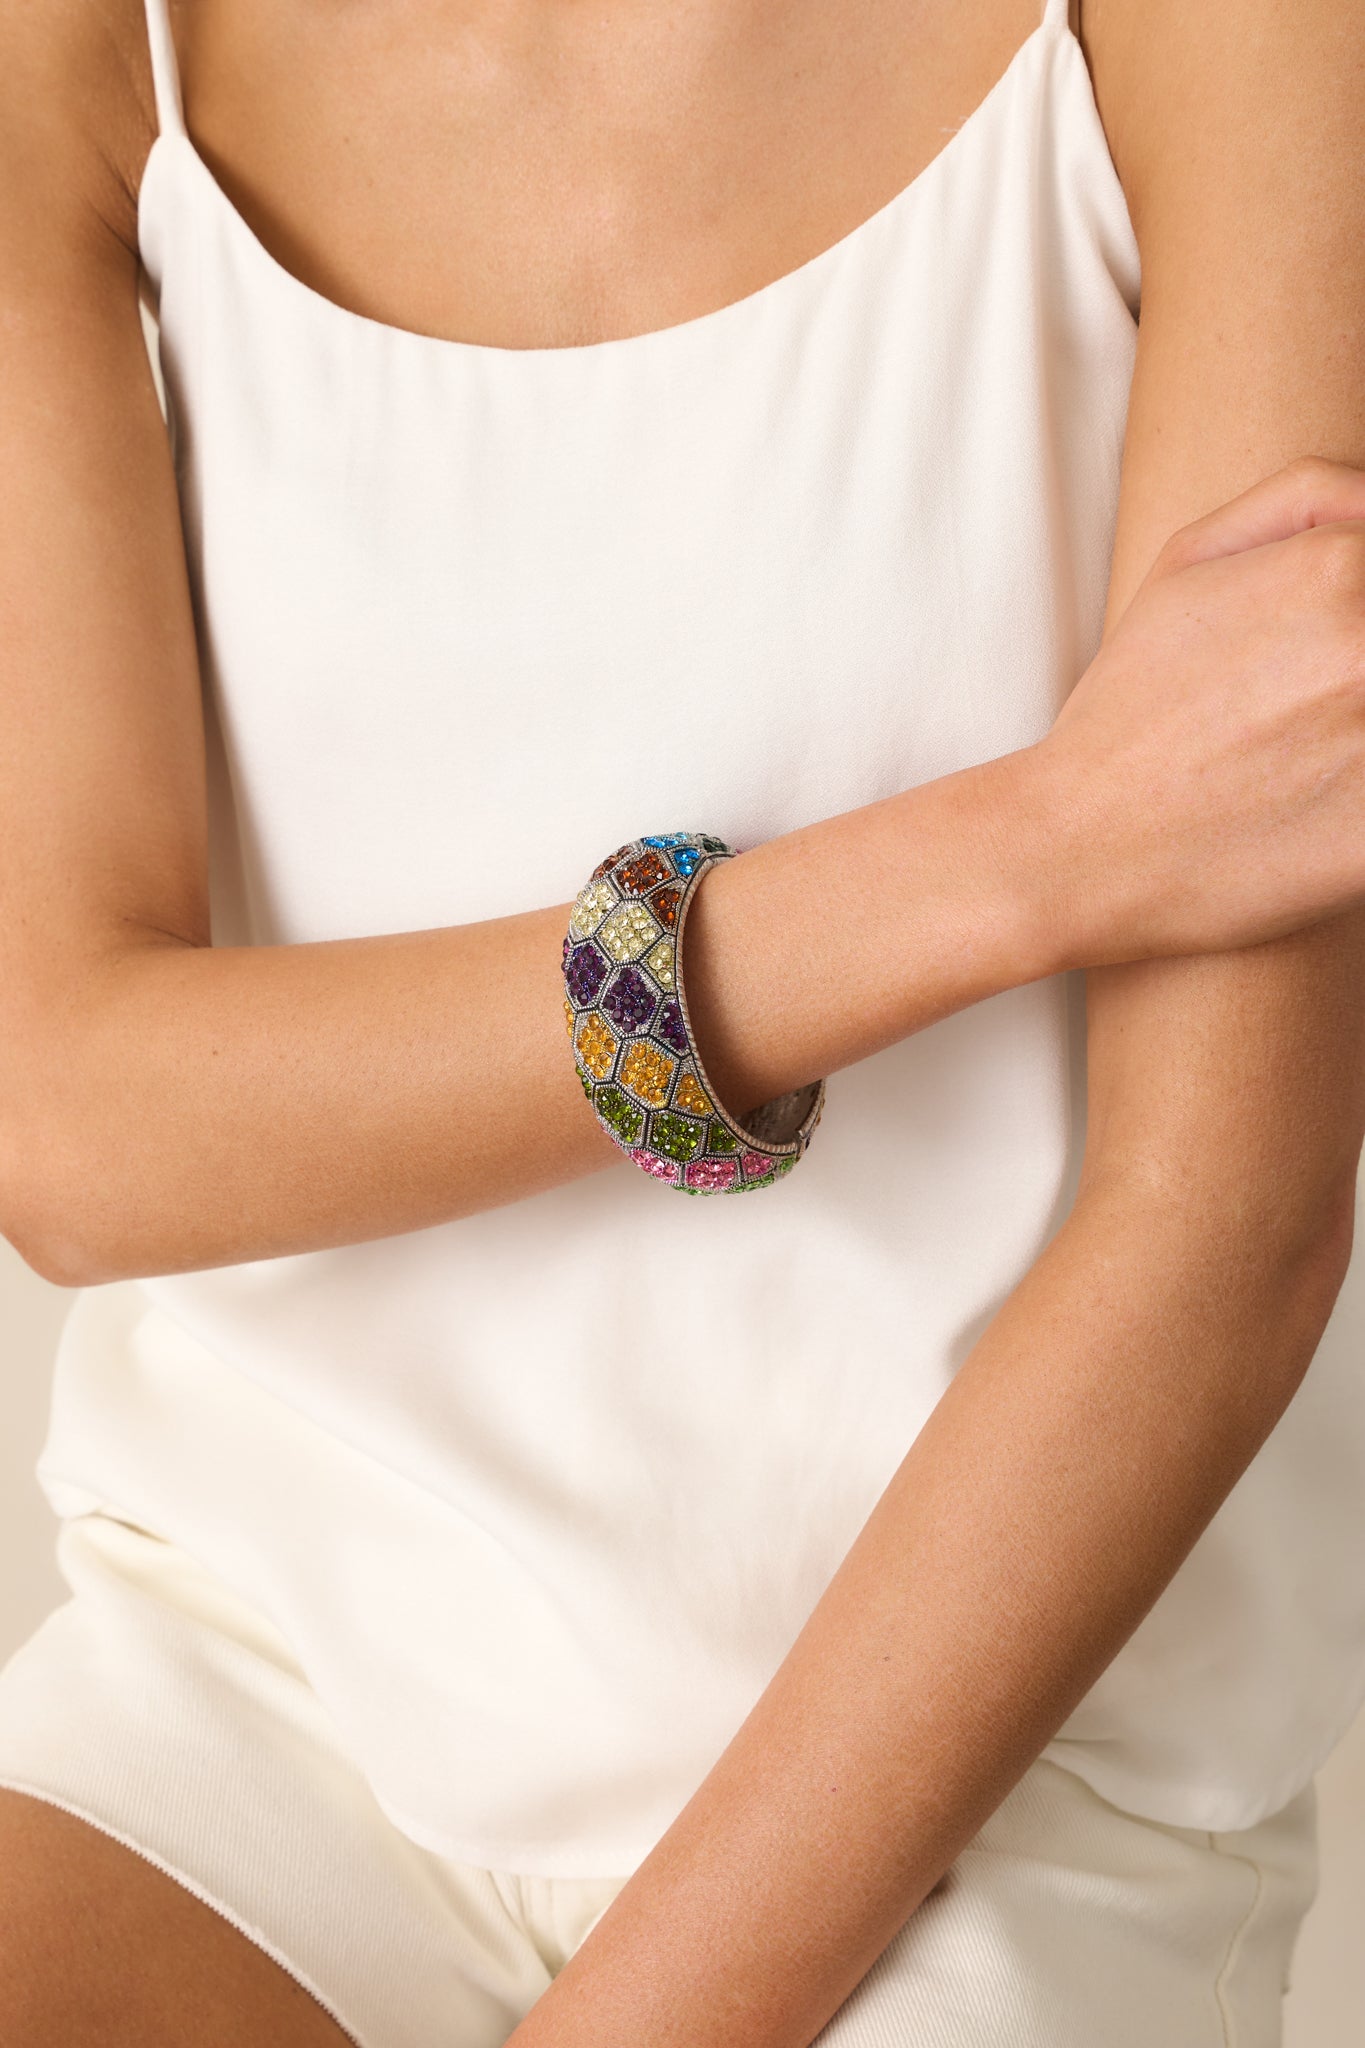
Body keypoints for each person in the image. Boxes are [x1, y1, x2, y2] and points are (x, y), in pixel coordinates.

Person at [1, 0, 1363, 2041]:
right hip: (265, 1686)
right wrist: (1038, 848)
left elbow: (1216, 1230)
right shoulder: (79, 48)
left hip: (991, 1780)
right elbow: (72, 1125)